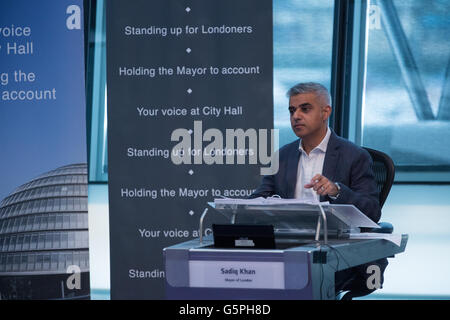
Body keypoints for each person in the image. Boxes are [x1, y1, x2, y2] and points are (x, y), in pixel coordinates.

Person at [251, 82, 387, 299]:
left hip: (335, 250)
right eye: (292, 110)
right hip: (289, 246)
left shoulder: (355, 156)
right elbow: (261, 197)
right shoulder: (281, 156)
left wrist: (336, 191)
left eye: (305, 109)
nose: (296, 116)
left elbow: (372, 212)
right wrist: (242, 205)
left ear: (326, 112)